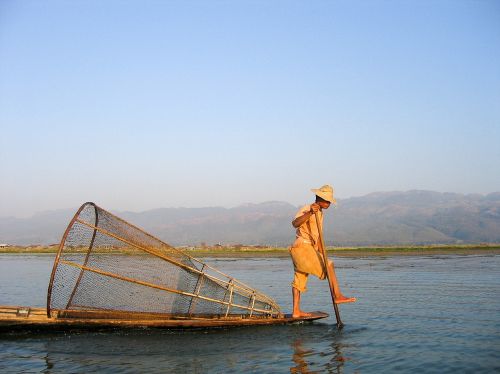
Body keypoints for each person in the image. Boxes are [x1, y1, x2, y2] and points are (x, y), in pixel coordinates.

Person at [289, 184, 356, 318]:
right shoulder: (307, 208)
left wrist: (321, 253)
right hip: (302, 247)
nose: (329, 203)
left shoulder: (320, 214)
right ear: (319, 198)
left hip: (308, 249)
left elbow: (317, 237)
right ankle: (337, 295)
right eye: (327, 200)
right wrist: (310, 213)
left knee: (299, 280)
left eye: (329, 201)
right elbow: (295, 223)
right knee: (329, 264)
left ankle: (296, 311)